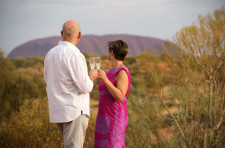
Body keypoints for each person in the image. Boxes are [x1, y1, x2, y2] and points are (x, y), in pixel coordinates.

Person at [44, 20, 98, 148]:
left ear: (62, 33)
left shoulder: (50, 54)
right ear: (79, 35)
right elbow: (85, 87)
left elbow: (47, 80)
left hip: (58, 109)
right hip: (74, 110)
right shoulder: (75, 55)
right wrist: (91, 77)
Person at [94, 40, 131, 148]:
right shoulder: (111, 71)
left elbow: (120, 96)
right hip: (103, 118)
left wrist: (105, 80)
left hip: (115, 118)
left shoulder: (122, 72)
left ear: (112, 53)